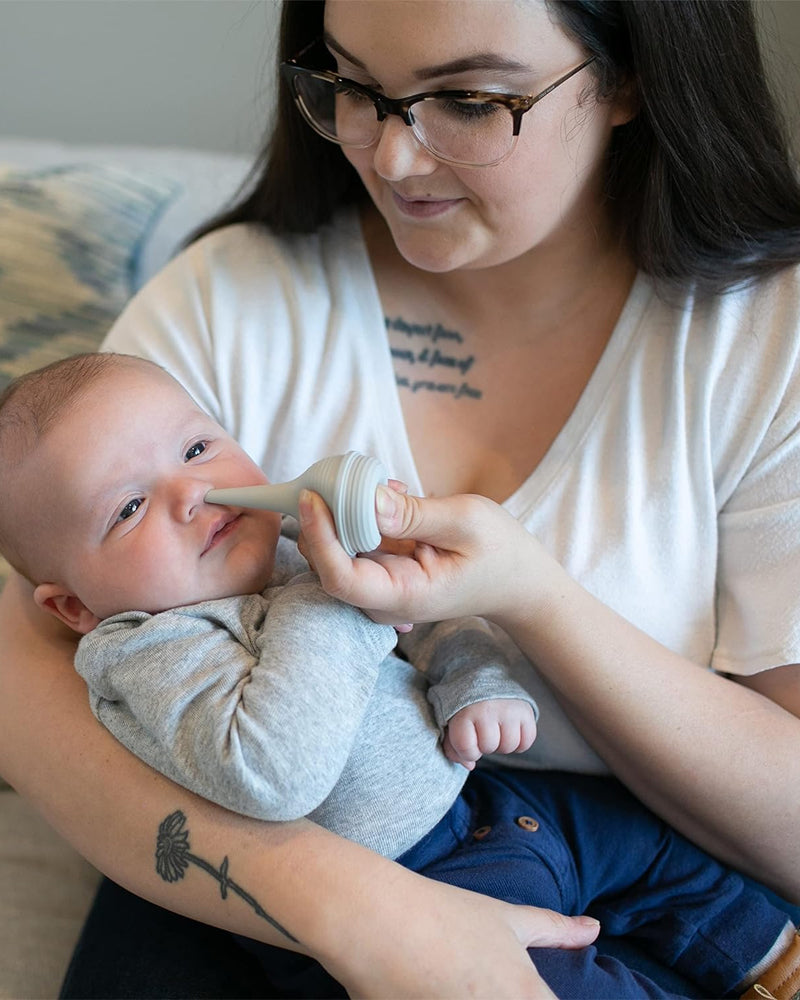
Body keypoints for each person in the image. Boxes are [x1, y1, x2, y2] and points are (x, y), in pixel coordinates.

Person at [1, 0, 800, 997]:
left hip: (598, 863)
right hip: (253, 899)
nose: (388, 157)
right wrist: (361, 912)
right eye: (351, 86)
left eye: (466, 98)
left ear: (630, 74)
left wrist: (529, 600)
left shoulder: (765, 340)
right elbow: (26, 673)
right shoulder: (227, 300)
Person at [1, 350, 796, 1000]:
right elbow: (274, 771)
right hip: (421, 884)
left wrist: (473, 687)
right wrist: (332, 591)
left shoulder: (279, 553)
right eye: (129, 509)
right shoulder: (146, 651)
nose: (192, 493)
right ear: (73, 606)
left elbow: (434, 622)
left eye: (197, 448)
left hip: (496, 796)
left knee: (656, 850)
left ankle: (773, 961)